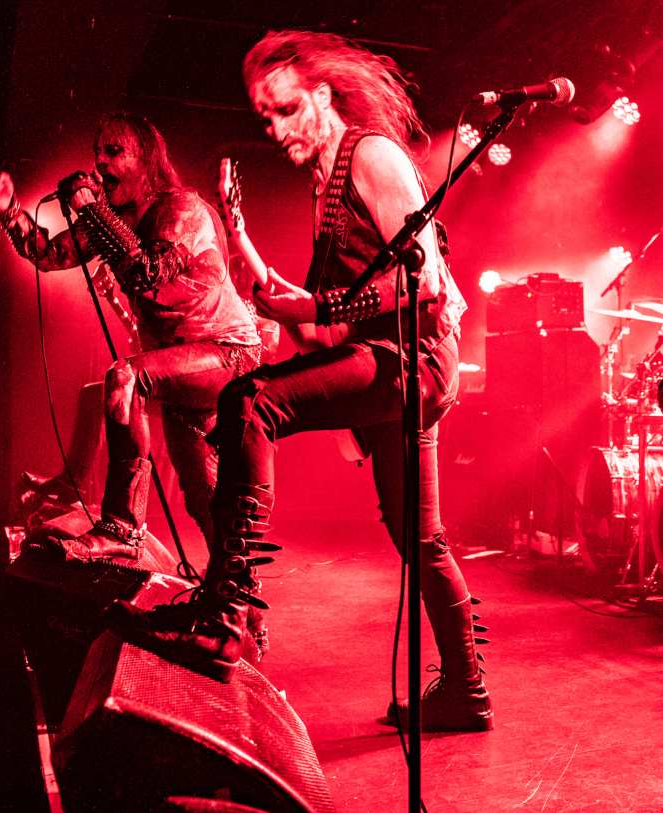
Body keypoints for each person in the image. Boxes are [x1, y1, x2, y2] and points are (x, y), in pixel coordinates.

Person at [106, 31, 492, 734]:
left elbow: (426, 281)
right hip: (385, 360)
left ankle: (228, 615)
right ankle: (468, 691)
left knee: (249, 399)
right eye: (264, 117)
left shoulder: (371, 155)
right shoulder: (325, 188)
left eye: (285, 109)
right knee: (420, 537)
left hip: (416, 360)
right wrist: (245, 246)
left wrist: (319, 308)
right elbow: (316, 328)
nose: (276, 128)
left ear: (322, 95)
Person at [0, 111, 262, 559]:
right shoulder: (115, 220)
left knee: (125, 376)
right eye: (98, 153)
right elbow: (51, 255)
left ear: (145, 159)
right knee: (203, 498)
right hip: (178, 368)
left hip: (228, 353)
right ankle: (233, 589)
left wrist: (89, 207)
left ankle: (122, 527)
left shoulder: (181, 209)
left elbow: (145, 273)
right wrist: (10, 209)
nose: (101, 162)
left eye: (114, 151)